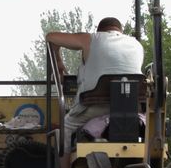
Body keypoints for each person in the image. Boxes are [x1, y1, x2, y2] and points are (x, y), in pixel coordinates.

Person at [46, 17, 144, 159]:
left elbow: (51, 37)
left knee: (66, 127)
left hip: (95, 106)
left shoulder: (91, 39)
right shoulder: (136, 45)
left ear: (100, 30)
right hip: (131, 108)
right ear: (120, 31)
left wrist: (59, 62)